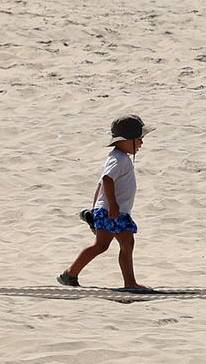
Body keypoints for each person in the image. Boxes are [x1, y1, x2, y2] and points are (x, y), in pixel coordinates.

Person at [58, 116, 152, 292]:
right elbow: (107, 180)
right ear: (126, 140)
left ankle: (71, 275)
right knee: (114, 244)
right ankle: (71, 274)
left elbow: (100, 185)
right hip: (113, 211)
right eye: (139, 138)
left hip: (113, 211)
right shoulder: (119, 159)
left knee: (115, 244)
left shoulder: (119, 157)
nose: (141, 142)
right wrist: (113, 205)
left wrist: (96, 209)